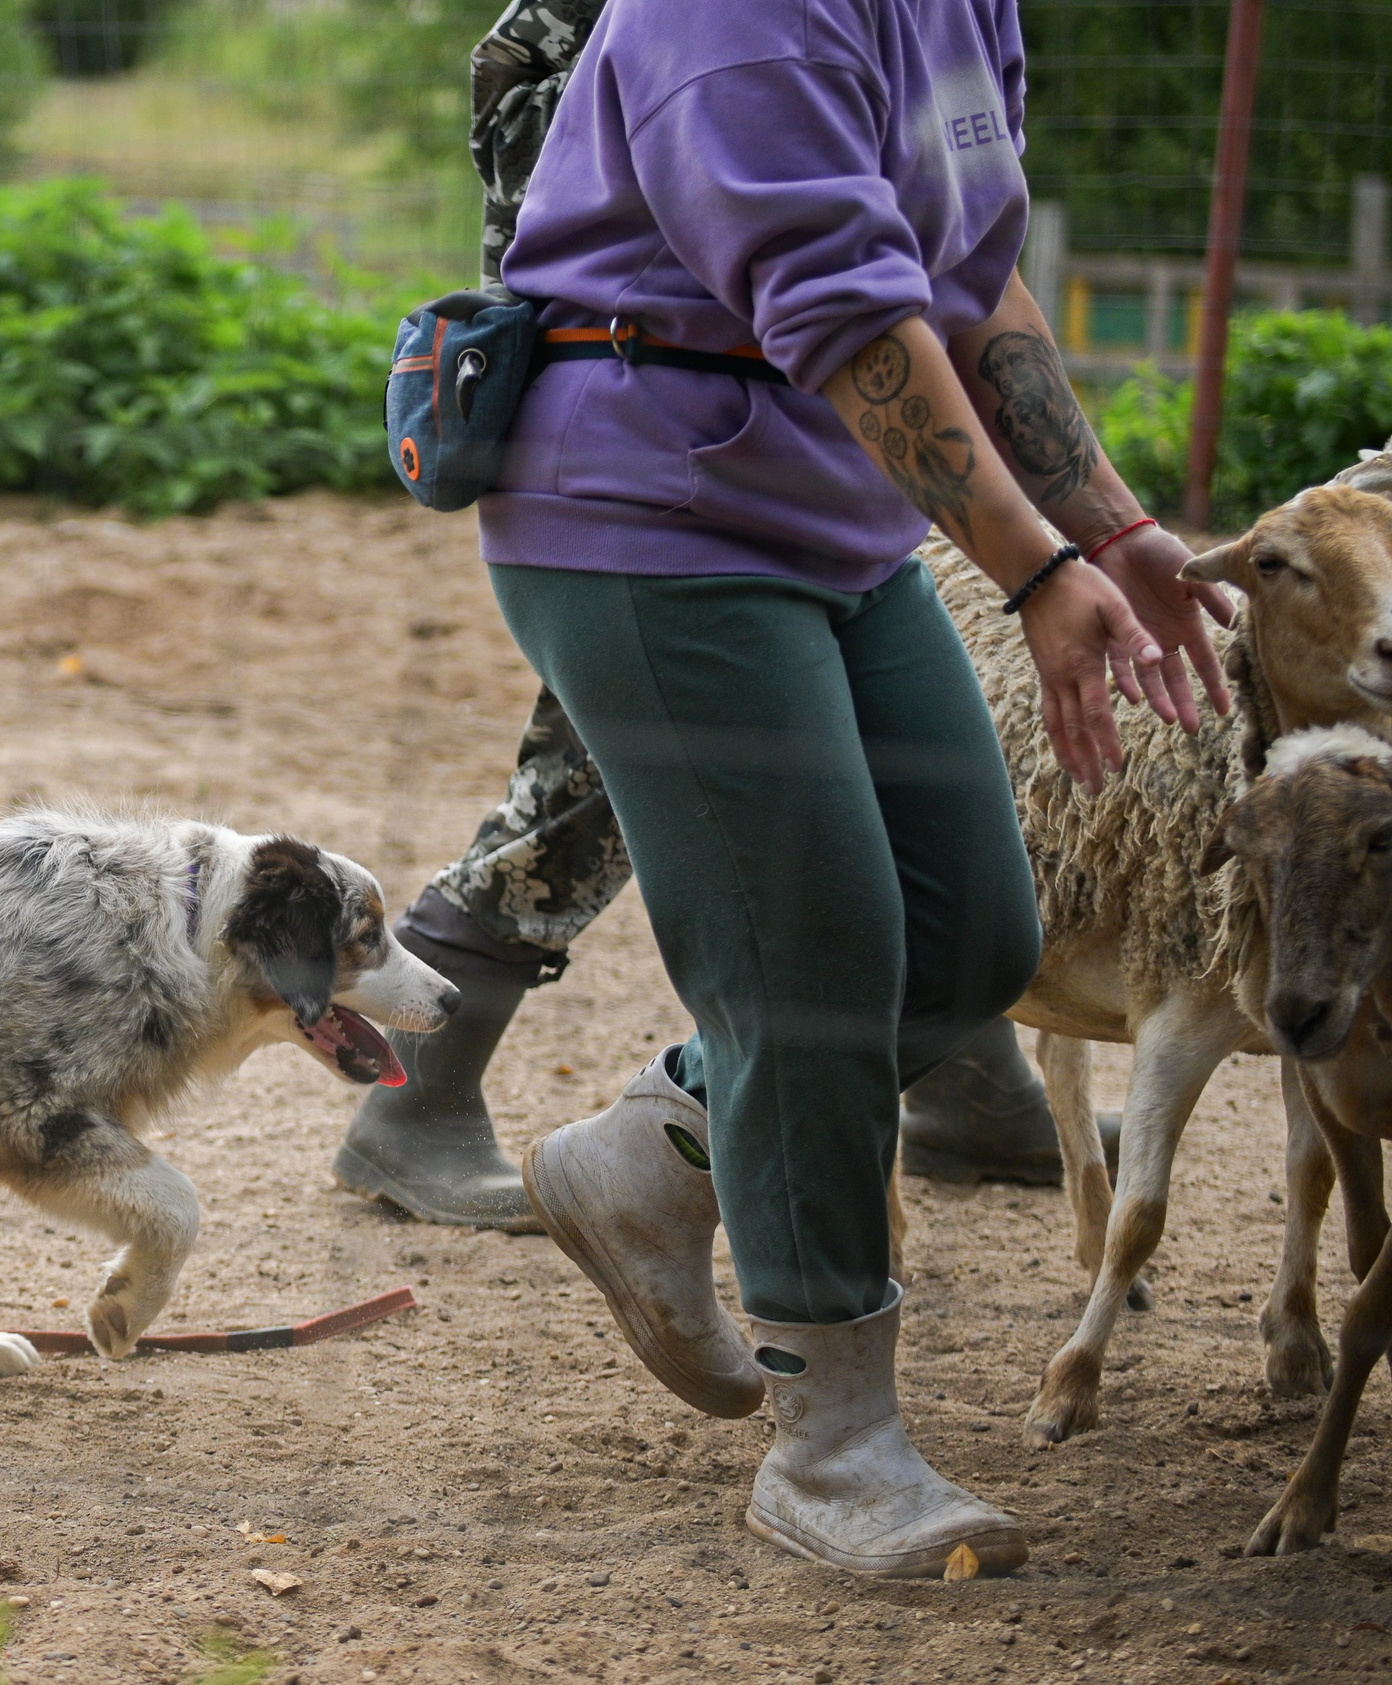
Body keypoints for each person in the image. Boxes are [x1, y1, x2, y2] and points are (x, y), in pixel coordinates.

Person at [446, 0, 1232, 1576]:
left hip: (832, 520)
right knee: (808, 968)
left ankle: (658, 1142)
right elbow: (846, 312)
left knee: (971, 936)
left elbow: (967, 273)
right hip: (648, 509)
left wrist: (1111, 522)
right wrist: (1032, 568)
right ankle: (832, 1446)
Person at [337, 0, 1110, 1232]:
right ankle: (419, 1098)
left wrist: (1094, 529)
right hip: (660, 431)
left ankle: (972, 1085)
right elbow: (819, 272)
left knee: (851, 814)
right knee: (605, 774)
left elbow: (949, 237)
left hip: (797, 463)